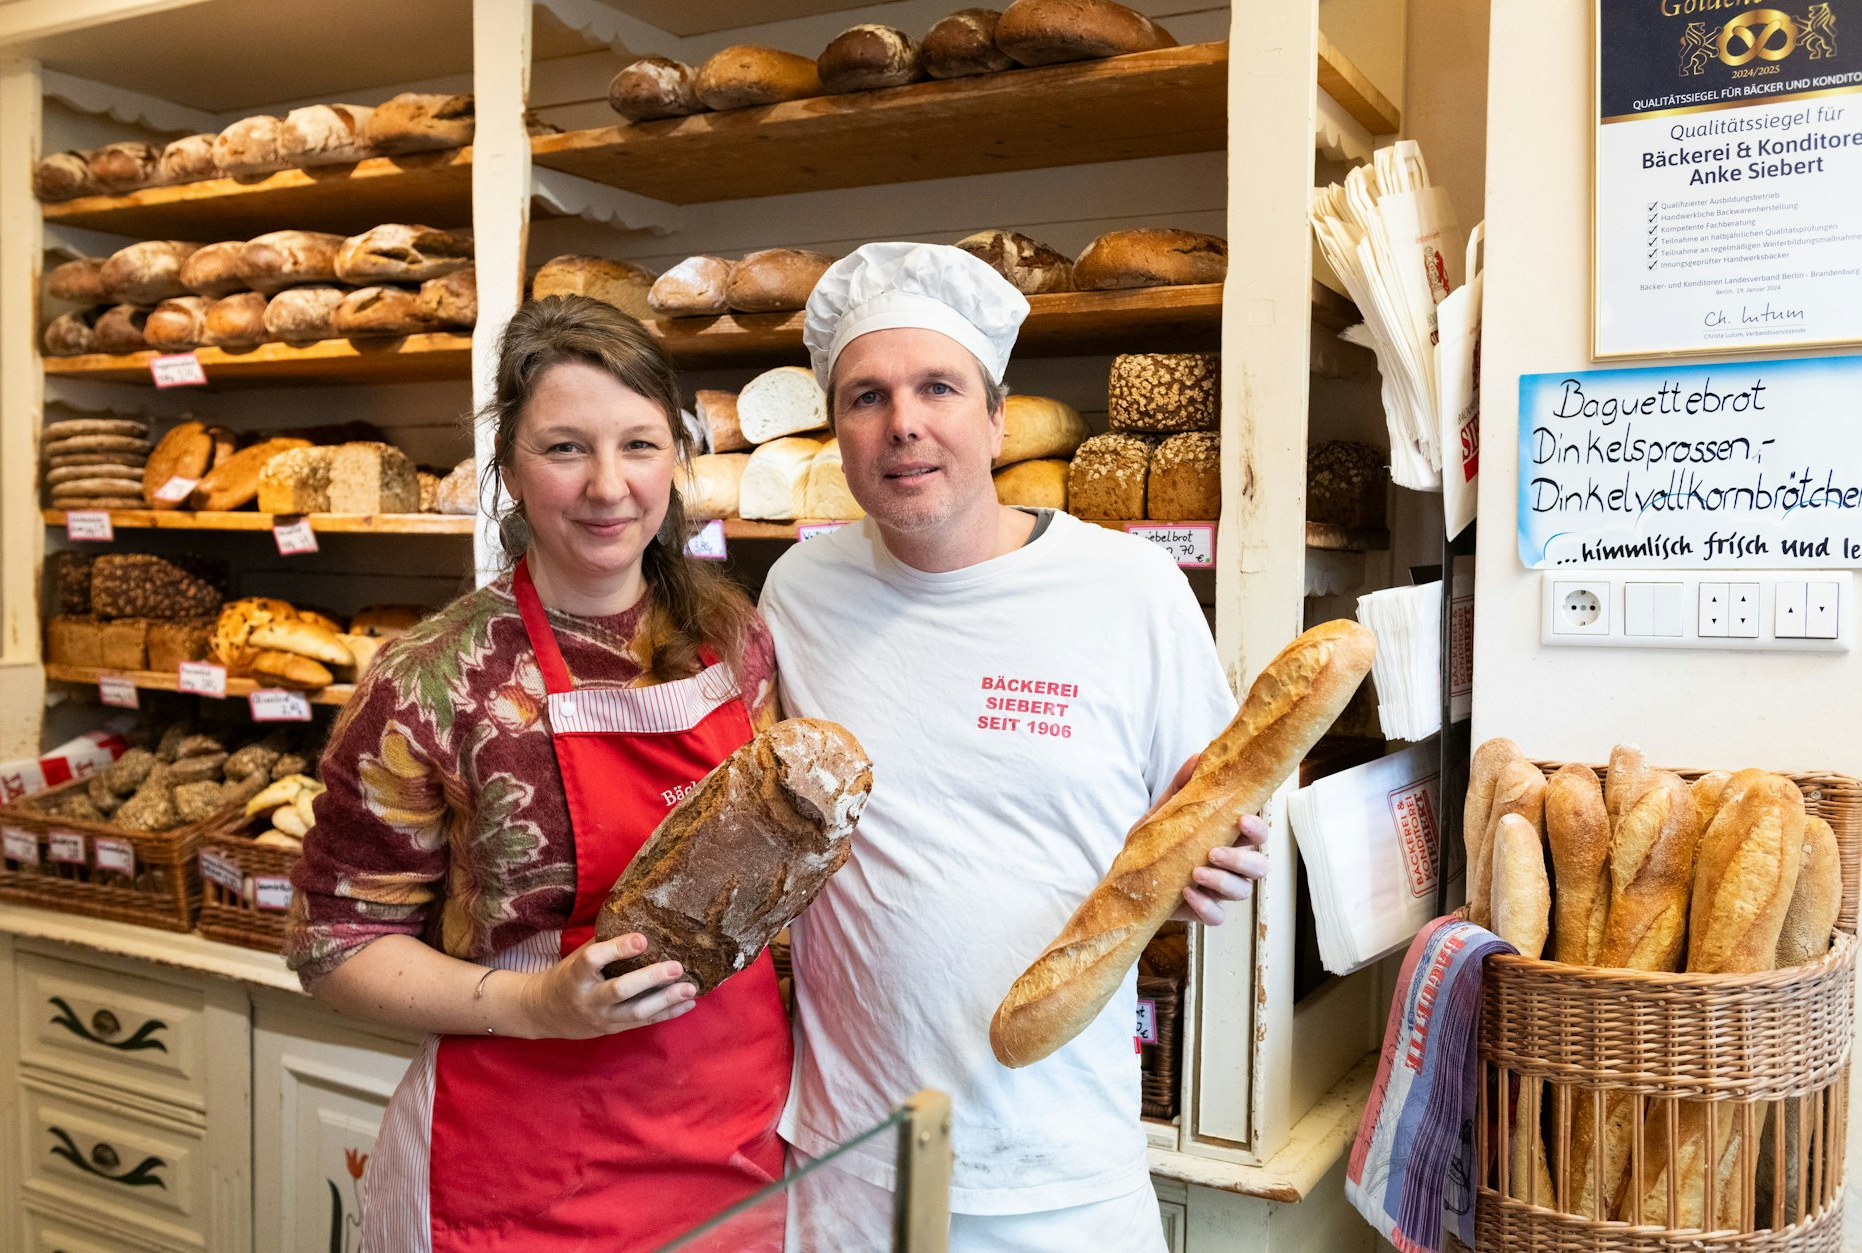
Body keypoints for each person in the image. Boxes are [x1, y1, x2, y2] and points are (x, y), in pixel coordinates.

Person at [760, 242, 1270, 1249]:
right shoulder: (799, 594)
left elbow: (1209, 816)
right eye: (865, 396)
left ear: (994, 415)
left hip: (1063, 1170)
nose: (902, 421)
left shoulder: (1128, 591)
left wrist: (1226, 863)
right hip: (847, 1167)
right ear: (837, 433)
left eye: (936, 386)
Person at [286, 295, 789, 1252]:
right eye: (565, 448)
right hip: (522, 1173)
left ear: (675, 458)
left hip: (731, 1152)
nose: (609, 487)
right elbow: (334, 943)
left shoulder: (734, 640)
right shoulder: (432, 677)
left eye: (638, 445)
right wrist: (533, 1004)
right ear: (509, 466)